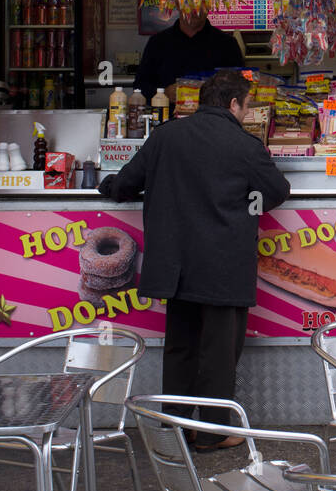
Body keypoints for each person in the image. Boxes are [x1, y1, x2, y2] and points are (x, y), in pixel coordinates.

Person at [97, 69, 290, 450]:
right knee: (219, 351)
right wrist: (252, 202)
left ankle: (176, 430)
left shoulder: (167, 135)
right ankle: (212, 434)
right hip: (223, 265)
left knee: (180, 346)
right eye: (247, 105)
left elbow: (127, 181)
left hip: (177, 264)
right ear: (233, 104)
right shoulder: (244, 145)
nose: (247, 112)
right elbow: (277, 190)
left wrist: (104, 185)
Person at [135, 10, 243, 100]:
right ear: (178, 4)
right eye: (188, 2)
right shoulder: (158, 43)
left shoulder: (227, 44)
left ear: (208, 5)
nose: (194, 9)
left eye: (200, 3)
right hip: (169, 122)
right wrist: (164, 93)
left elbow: (241, 88)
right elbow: (140, 86)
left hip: (213, 122)